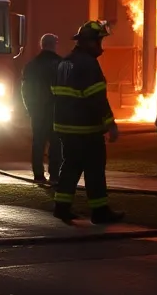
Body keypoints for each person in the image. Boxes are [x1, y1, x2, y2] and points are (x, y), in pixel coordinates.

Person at [51, 20, 124, 224]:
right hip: (85, 127)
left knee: (71, 166)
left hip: (65, 126)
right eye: (99, 41)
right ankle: (100, 211)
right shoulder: (88, 64)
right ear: (89, 42)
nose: (100, 46)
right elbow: (97, 98)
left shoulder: (64, 62)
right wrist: (110, 123)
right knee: (94, 168)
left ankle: (61, 207)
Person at [20, 33, 63, 186]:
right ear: (54, 44)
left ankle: (38, 174)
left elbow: (25, 90)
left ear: (42, 45)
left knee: (38, 142)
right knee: (56, 143)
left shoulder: (31, 65)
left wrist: (29, 108)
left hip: (37, 111)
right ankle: (55, 175)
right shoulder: (61, 64)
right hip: (56, 110)